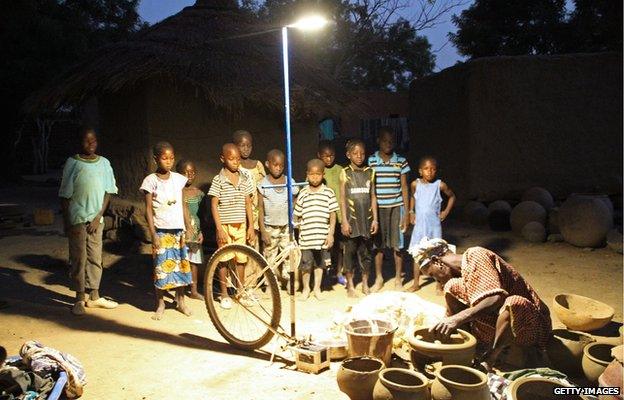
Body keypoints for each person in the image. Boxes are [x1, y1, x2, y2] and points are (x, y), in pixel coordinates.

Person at [411, 238, 552, 370]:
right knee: (451, 287)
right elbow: (451, 317)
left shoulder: (476, 255)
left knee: (514, 303)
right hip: (497, 323)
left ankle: (491, 357)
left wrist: (457, 318)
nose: (438, 282)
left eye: (433, 275)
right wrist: (436, 342)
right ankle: (468, 349)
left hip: (530, 325)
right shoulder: (462, 275)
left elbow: (496, 298)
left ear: (437, 262)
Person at [59, 127, 119, 316]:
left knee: (95, 257)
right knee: (79, 258)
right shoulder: (72, 163)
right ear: (80, 143)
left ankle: (94, 296)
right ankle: (79, 298)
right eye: (86, 141)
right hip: (77, 219)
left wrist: (98, 216)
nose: (90, 145)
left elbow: (108, 191)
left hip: (96, 219)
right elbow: (65, 195)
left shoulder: (104, 164)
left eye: (93, 141)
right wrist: (68, 222)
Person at [140, 141, 192, 320]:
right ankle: (160, 303)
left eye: (171, 158)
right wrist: (153, 233)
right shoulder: (150, 181)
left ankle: (181, 300)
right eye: (164, 158)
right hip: (161, 231)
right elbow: (147, 209)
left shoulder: (179, 179)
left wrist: (189, 226)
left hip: (178, 230)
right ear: (156, 159)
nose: (169, 161)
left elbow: (184, 205)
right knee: (161, 269)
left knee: (181, 266)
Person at [208, 143, 256, 310]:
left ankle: (240, 292)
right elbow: (214, 205)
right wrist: (219, 228)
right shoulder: (218, 179)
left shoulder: (244, 177)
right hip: (225, 226)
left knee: (241, 259)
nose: (235, 162)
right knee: (224, 260)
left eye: (237, 158)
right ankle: (224, 294)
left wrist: (251, 226)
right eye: (231, 158)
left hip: (241, 224)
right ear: (223, 159)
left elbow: (248, 202)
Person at [368, 127, 410, 291]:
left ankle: (398, 278)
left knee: (398, 245)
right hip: (379, 209)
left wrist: (406, 213)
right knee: (378, 245)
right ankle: (379, 278)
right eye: (385, 140)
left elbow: (404, 187)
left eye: (391, 141)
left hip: (396, 207)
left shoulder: (401, 161)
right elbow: (371, 188)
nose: (388, 144)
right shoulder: (372, 161)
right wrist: (372, 214)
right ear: (378, 141)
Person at [406, 156, 456, 292]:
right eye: (426, 169)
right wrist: (411, 212)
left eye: (433, 169)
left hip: (434, 227)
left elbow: (452, 196)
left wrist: (445, 212)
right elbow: (412, 197)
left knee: (437, 255)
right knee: (417, 254)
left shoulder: (440, 185)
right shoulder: (415, 184)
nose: (430, 172)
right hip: (420, 226)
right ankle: (416, 283)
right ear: (420, 171)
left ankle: (439, 284)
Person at [294, 159, 338, 300]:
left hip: (322, 238)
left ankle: (317, 288)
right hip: (306, 238)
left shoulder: (329, 193)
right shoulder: (303, 193)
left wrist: (330, 234)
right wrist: (297, 226)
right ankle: (306, 288)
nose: (314, 177)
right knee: (306, 265)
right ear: (307, 174)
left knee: (320, 265)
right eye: (311, 174)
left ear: (323, 175)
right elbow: (296, 215)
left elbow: (333, 215)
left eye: (318, 174)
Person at [340, 139, 378, 297]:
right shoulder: (345, 173)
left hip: (367, 220)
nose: (359, 156)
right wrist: (344, 221)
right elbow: (342, 198)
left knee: (366, 253)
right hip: (351, 220)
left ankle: (365, 283)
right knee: (349, 253)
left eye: (362, 153)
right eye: (355, 153)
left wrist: (375, 219)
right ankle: (350, 285)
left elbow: (373, 196)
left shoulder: (370, 172)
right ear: (348, 155)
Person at [258, 149, 298, 285]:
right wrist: (263, 230)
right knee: (270, 256)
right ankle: (271, 284)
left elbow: (295, 201)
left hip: (287, 226)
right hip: (270, 227)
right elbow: (260, 208)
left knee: (288, 254)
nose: (278, 168)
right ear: (267, 164)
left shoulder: (289, 181)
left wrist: (294, 219)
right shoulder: (263, 184)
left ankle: (289, 282)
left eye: (281, 165)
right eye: (275, 165)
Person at [176, 159, 205, 301]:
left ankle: (193, 290)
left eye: (192, 172)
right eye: (185, 172)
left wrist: (200, 231)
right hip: (181, 232)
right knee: (181, 260)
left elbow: (201, 216)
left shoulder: (198, 194)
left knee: (194, 262)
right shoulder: (176, 192)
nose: (190, 175)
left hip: (195, 233)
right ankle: (178, 293)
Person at [233, 130, 266, 251]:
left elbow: (263, 188)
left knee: (254, 243)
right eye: (242, 145)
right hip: (240, 210)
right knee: (241, 245)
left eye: (249, 145)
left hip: (256, 210)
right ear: (235, 146)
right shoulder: (234, 166)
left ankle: (255, 270)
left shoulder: (258, 165)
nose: (246, 149)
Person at [318, 140, 345, 285]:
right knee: (324, 247)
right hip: (323, 217)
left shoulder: (340, 170)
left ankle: (339, 272)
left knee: (339, 247)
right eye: (325, 156)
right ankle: (325, 273)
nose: (329, 159)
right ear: (319, 155)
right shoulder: (317, 171)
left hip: (339, 216)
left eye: (332, 156)